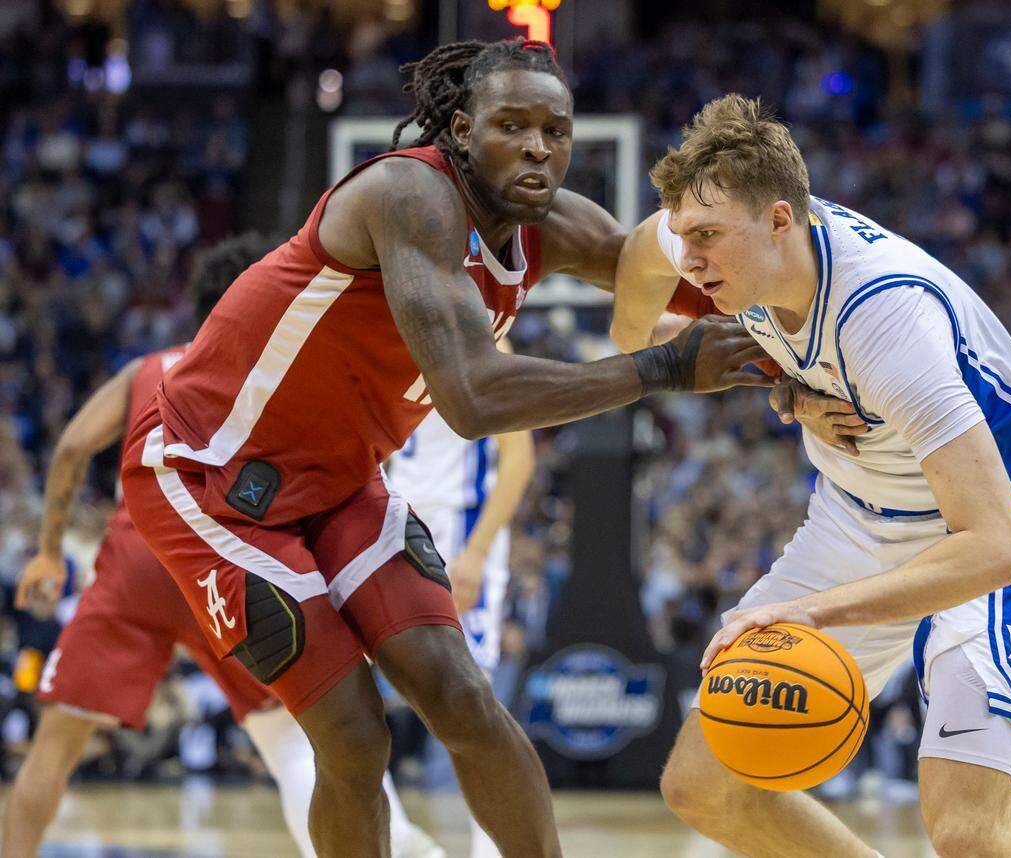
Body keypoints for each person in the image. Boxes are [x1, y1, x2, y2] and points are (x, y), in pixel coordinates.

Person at [117, 39, 776, 858]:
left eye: (555, 130)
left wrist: (792, 339)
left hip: (340, 481)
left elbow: (681, 279)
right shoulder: (408, 194)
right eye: (512, 126)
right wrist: (666, 366)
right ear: (462, 132)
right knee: (355, 737)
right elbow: (473, 398)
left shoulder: (555, 223)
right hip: (210, 478)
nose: (539, 146)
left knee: (464, 699)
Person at [613, 95, 1011, 857]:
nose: (688, 258)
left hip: (978, 529)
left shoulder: (888, 321)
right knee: (702, 785)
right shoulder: (727, 233)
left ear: (782, 220)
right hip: (856, 518)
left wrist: (818, 615)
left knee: (968, 834)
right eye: (684, 234)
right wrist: (643, 365)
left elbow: (1000, 547)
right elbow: (636, 257)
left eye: (707, 239)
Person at [4, 235, 442, 858]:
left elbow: (73, 447)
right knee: (295, 744)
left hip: (137, 561)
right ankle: (397, 850)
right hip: (224, 563)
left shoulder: (145, 369)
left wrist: (49, 550)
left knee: (54, 746)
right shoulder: (279, 374)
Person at [387, 337, 535, 858]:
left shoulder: (484, 336)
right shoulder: (376, 323)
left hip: (457, 529)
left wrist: (476, 551)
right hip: (386, 522)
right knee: (342, 684)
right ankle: (395, 840)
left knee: (470, 697)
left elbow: (519, 459)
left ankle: (490, 847)